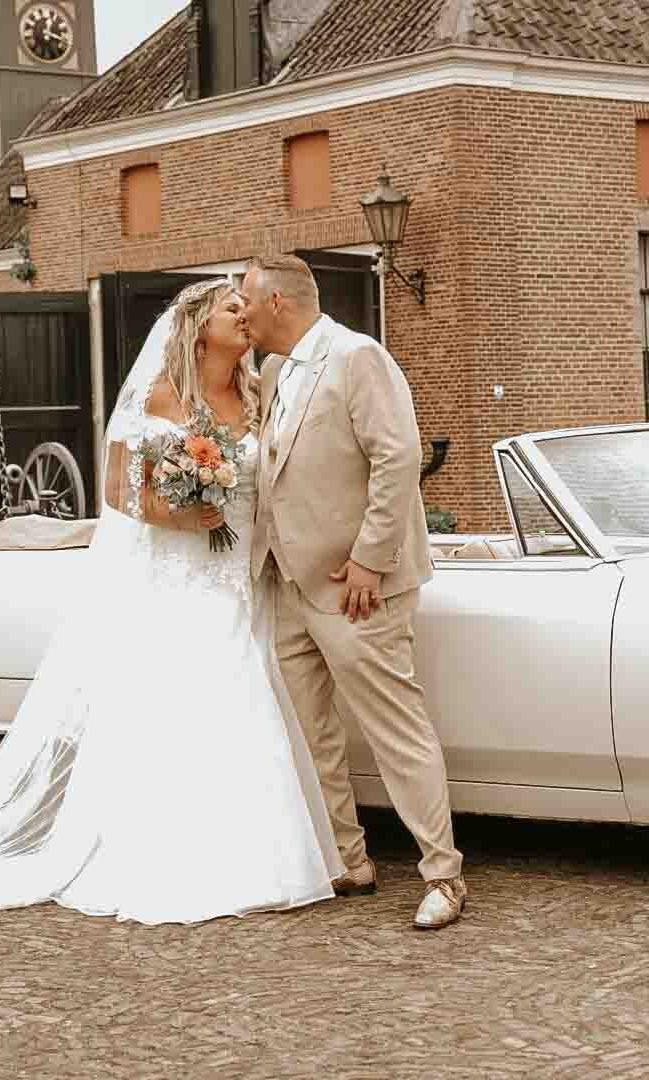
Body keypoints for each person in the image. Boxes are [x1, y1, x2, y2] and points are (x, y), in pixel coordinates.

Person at [0, 280, 343, 925]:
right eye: (232, 308)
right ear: (196, 326)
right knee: (201, 697)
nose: (246, 317)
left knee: (250, 694)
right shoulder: (158, 395)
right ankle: (180, 856)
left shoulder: (257, 393)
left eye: (248, 308)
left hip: (243, 574)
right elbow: (119, 493)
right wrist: (183, 514)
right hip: (180, 575)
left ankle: (260, 854)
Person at [239, 254, 467, 930]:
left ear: (277, 302)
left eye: (246, 300)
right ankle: (348, 859)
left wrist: (370, 560)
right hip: (289, 584)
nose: (241, 313)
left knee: (396, 729)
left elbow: (399, 456)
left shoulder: (358, 357)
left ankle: (444, 875)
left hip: (355, 589)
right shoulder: (274, 371)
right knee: (313, 731)